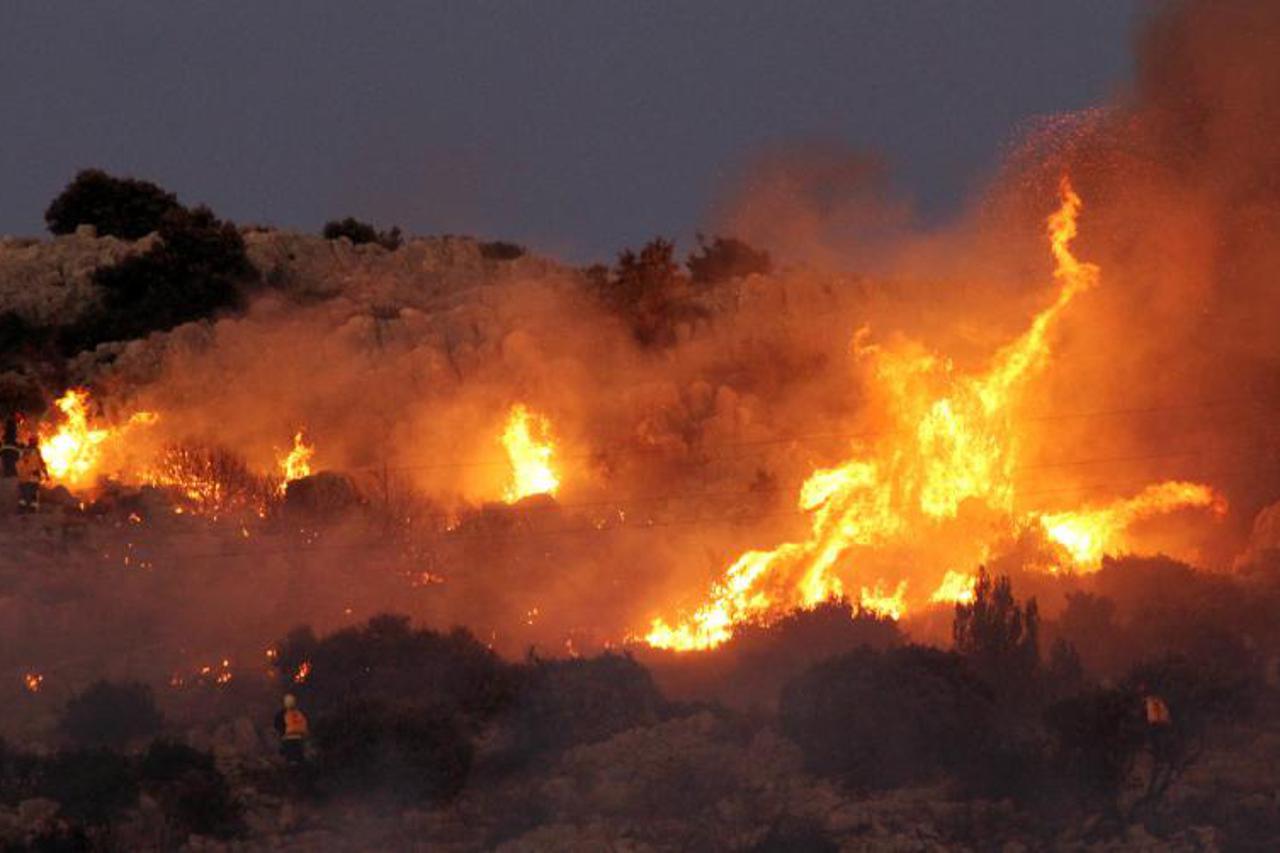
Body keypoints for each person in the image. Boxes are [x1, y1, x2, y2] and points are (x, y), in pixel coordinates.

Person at [273, 693, 309, 766]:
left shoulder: (282, 713)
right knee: (299, 759)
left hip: (287, 739)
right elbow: (305, 725)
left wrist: (280, 735)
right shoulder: (299, 713)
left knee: (290, 760)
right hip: (299, 739)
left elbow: (277, 725)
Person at [16, 437, 46, 514]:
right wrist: (46, 474)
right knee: (34, 492)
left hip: (23, 476)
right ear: (35, 443)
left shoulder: (23, 451)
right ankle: (32, 509)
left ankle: (22, 508)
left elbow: (20, 463)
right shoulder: (36, 451)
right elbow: (41, 463)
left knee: (23, 493)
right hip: (34, 476)